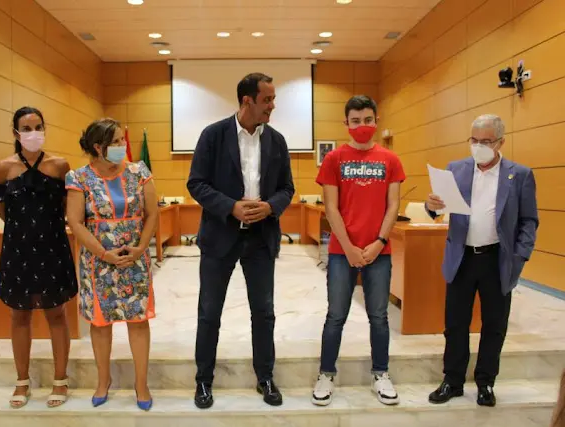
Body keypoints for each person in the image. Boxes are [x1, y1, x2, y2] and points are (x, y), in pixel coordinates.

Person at [187, 72, 295, 409]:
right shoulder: (213, 135)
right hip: (220, 237)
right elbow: (196, 183)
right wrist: (230, 207)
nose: (272, 106)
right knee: (209, 313)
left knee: (264, 312)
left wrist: (270, 206)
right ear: (247, 100)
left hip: (261, 239)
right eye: (267, 100)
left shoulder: (277, 141)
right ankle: (203, 381)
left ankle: (265, 377)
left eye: (273, 99)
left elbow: (287, 188)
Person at [426, 114, 539, 407]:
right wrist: (431, 205)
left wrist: (520, 255)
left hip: (497, 260)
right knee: (455, 323)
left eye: (486, 141)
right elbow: (439, 209)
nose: (478, 146)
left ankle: (486, 382)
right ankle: (452, 380)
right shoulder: (456, 169)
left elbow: (529, 220)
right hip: (462, 257)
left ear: (500, 142)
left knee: (494, 324)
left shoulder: (520, 174)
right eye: (474, 140)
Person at [311, 95, 404, 407]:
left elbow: (394, 205)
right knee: (336, 315)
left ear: (376, 121)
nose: (362, 125)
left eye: (367, 120)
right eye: (355, 121)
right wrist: (349, 248)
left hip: (379, 251)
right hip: (342, 252)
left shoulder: (390, 159)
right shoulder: (334, 159)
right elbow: (331, 208)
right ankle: (326, 373)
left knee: (379, 316)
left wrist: (379, 242)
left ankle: (381, 373)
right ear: (346, 123)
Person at [0, 106, 78, 409]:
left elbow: (66, 205)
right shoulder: (3, 168)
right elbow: (2, 209)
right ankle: (22, 380)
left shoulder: (60, 166)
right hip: (17, 249)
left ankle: (60, 379)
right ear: (15, 133)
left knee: (56, 313)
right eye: (26, 128)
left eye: (38, 127)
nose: (33, 133)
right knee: (19, 315)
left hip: (53, 246)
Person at [65, 118, 158, 411]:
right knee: (101, 323)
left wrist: (141, 248)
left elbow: (152, 214)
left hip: (134, 258)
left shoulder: (139, 171)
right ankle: (103, 380)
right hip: (98, 262)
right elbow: (76, 223)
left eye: (122, 140)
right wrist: (104, 254)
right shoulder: (78, 178)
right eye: (116, 141)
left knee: (138, 320)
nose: (122, 145)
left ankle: (141, 384)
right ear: (98, 147)